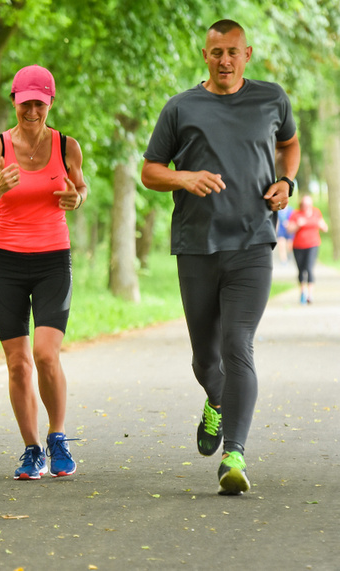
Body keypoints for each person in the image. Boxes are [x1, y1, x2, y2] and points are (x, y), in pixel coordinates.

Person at [141, 20, 300, 495]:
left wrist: (285, 183)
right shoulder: (181, 107)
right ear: (205, 55)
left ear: (247, 54)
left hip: (253, 243)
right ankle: (216, 398)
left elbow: (289, 146)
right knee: (205, 361)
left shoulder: (272, 99)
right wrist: (184, 178)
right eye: (217, 53)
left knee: (239, 344)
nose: (225, 60)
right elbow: (150, 170)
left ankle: (235, 453)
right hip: (196, 246)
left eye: (233, 52)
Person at [0, 65, 89, 481]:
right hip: (7, 262)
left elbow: (80, 188)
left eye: (39, 103)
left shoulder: (67, 146)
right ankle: (31, 449)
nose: (31, 110)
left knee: (45, 353)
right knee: (18, 364)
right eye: (24, 103)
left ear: (50, 102)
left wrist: (77, 198)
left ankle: (57, 437)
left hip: (54, 260)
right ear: (14, 102)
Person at [287, 194, 329, 304]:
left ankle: (310, 295)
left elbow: (325, 227)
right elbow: (289, 230)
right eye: (305, 204)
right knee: (301, 270)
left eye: (309, 204)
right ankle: (302, 292)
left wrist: (322, 226)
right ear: (302, 204)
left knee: (309, 268)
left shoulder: (316, 212)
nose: (307, 206)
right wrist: (298, 225)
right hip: (298, 246)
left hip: (313, 245)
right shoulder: (296, 214)